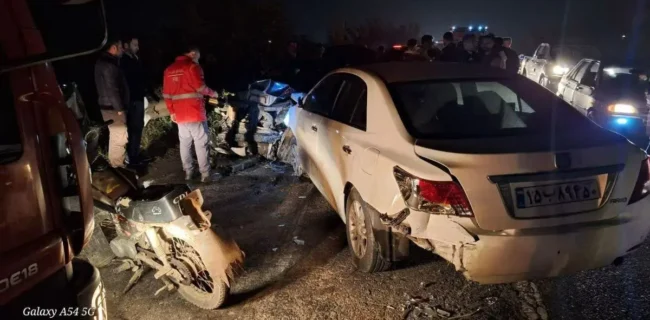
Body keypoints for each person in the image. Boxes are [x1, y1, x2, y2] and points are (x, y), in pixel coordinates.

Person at [162, 46, 219, 182]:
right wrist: (214, 93)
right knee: (201, 142)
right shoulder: (193, 67)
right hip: (194, 112)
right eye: (198, 55)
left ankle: (188, 172)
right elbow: (201, 88)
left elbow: (166, 94)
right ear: (193, 53)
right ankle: (205, 174)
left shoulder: (168, 70)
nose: (199, 58)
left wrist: (172, 112)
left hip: (179, 114)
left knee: (185, 143)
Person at [95, 38, 129, 167]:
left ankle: (118, 164)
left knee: (118, 136)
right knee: (119, 136)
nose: (122, 49)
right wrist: (120, 109)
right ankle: (117, 166)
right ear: (113, 48)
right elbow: (112, 89)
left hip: (109, 106)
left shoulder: (104, 63)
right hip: (113, 108)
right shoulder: (109, 65)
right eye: (120, 47)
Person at [120, 36, 153, 167]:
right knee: (133, 129)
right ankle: (132, 158)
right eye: (134, 45)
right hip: (131, 100)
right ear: (126, 45)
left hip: (138, 98)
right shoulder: (124, 61)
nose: (137, 48)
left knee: (137, 127)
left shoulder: (135, 59)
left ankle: (135, 154)